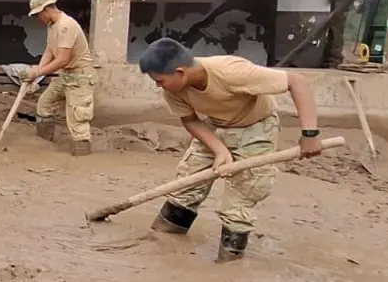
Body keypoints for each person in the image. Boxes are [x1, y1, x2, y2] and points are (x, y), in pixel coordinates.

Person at [138, 37, 323, 261]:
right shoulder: (173, 91)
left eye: (160, 81)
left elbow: (297, 81)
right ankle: (162, 243)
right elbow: (190, 120)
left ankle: (229, 261)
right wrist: (219, 150)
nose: (158, 86)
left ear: (180, 72)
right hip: (215, 126)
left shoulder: (232, 71)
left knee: (242, 196)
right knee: (186, 185)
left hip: (256, 127)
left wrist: (310, 134)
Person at [25, 0, 96, 156]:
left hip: (80, 77)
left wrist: (38, 72)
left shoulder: (66, 25)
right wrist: (37, 72)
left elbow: (63, 59)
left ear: (45, 10)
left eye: (38, 15)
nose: (38, 19)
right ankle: (44, 145)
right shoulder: (52, 26)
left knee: (78, 120)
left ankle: (82, 157)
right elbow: (49, 50)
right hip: (66, 76)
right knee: (44, 104)